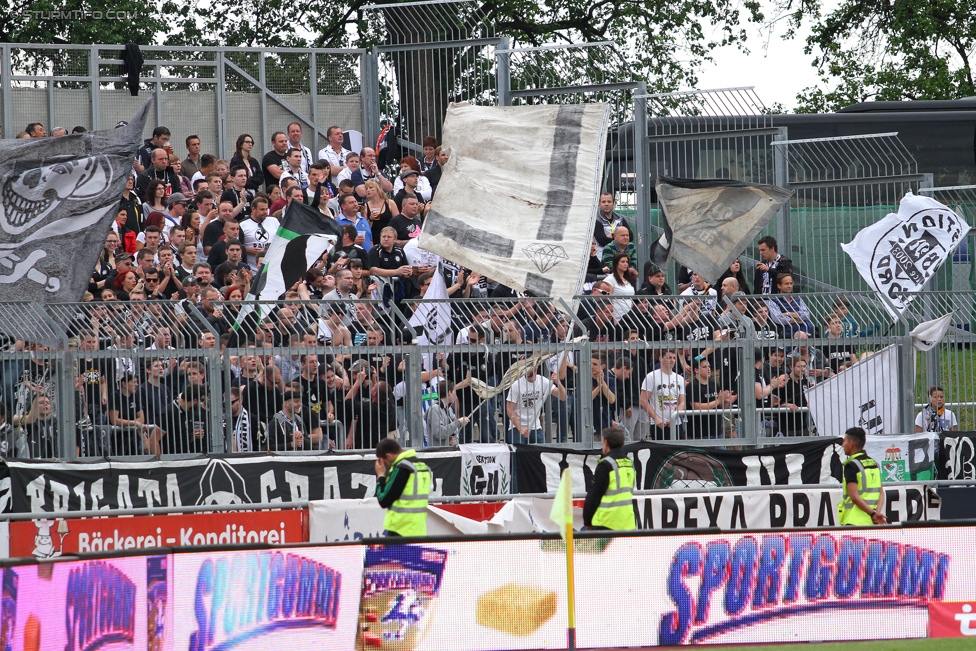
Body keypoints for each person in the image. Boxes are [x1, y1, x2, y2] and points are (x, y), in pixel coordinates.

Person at [374, 438, 431, 537]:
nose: (386, 465)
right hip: (418, 529)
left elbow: (384, 500)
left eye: (385, 462)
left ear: (389, 456)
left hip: (400, 530)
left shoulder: (402, 468)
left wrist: (380, 476)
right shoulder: (423, 467)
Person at [583, 427, 636, 531]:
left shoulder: (606, 464)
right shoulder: (630, 463)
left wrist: (588, 521)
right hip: (627, 522)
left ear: (605, 442)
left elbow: (594, 495)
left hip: (606, 523)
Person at [839, 427, 887, 525]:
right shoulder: (874, 463)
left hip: (853, 521)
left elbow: (854, 497)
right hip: (871, 522)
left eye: (844, 441)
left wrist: (873, 514)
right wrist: (876, 513)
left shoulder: (852, 466)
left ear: (851, 444)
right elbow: (881, 493)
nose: (842, 445)